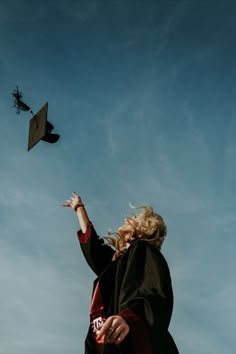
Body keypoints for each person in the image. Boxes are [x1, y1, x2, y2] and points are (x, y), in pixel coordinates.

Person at [63, 192, 179, 354]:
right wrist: (79, 208)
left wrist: (129, 317)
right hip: (110, 341)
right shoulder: (118, 263)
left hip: (134, 341)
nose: (126, 219)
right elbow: (95, 251)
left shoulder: (144, 250)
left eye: (133, 219)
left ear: (142, 230)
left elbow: (155, 293)